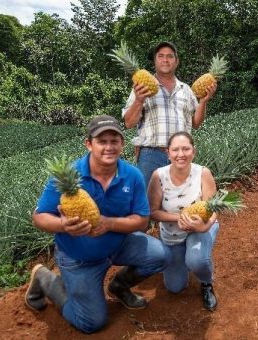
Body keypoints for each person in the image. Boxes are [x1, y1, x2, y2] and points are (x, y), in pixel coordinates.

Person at [25, 115, 171, 334]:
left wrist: (109, 223)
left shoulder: (132, 175)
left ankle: (119, 286)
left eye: (114, 141)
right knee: (91, 323)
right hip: (79, 258)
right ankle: (45, 279)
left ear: (122, 144)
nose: (109, 147)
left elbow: (142, 221)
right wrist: (63, 225)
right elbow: (39, 217)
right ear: (88, 144)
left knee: (160, 255)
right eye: (102, 141)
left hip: (118, 245)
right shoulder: (70, 176)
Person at [122, 41, 217, 187]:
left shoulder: (186, 89)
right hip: (151, 155)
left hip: (181, 156)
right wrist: (139, 100)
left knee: (179, 201)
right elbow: (128, 123)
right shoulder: (142, 87)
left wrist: (203, 101)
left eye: (170, 56)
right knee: (147, 204)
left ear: (176, 61)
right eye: (160, 56)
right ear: (155, 61)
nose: (165, 60)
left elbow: (196, 123)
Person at [147, 131, 219, 311]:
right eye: (175, 149)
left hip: (199, 229)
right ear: (168, 152)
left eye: (186, 149)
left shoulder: (203, 173)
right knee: (175, 287)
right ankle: (185, 258)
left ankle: (205, 282)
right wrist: (179, 217)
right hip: (172, 234)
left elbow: (213, 208)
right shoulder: (158, 176)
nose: (181, 154)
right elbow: (153, 212)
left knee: (198, 261)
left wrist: (205, 226)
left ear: (193, 151)